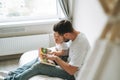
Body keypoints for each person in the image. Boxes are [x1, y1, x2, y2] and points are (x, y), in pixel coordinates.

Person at [3, 20, 90, 80]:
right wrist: (56, 53)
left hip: (73, 74)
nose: (56, 38)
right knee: (41, 57)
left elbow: (72, 71)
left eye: (58, 36)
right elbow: (71, 51)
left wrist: (56, 59)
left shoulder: (80, 44)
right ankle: (12, 74)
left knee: (39, 66)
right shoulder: (74, 36)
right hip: (68, 63)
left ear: (66, 34)